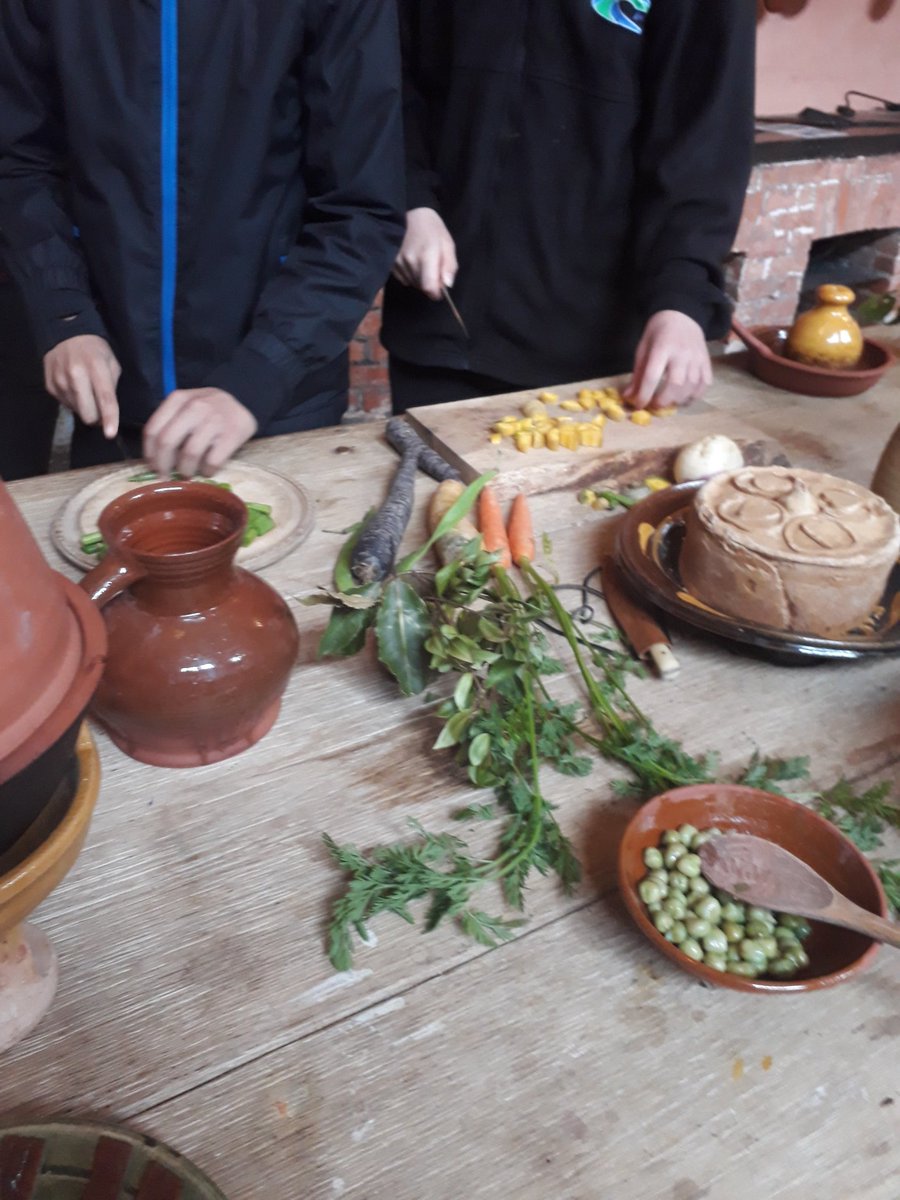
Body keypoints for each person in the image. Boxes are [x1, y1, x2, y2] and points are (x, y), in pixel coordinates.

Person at [0, 1, 405, 479]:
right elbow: (19, 162)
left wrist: (259, 373)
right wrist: (64, 313)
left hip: (277, 401)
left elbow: (361, 209)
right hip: (112, 398)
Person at [382, 0, 756, 414]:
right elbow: (386, 75)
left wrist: (682, 299)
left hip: (599, 349)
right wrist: (408, 197)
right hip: (439, 326)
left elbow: (705, 140)